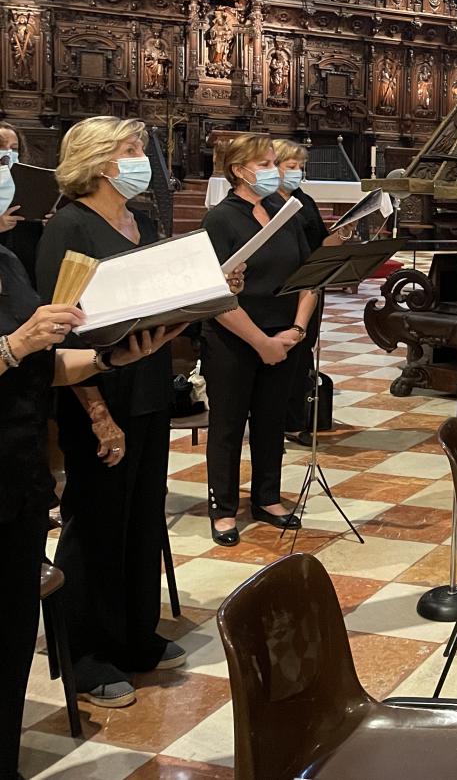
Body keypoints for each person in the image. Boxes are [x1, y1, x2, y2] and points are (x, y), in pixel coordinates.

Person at [1, 212, 182, 772]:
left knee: (9, 641)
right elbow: (18, 351)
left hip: (18, 477)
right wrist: (11, 345)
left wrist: (108, 358)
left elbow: (44, 365)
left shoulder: (6, 261)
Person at [35, 117, 191, 708]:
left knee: (142, 517)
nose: (141, 159)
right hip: (96, 397)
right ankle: (86, 653)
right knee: (96, 524)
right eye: (130, 151)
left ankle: (132, 636)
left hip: (147, 387)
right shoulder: (69, 228)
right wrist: (100, 415)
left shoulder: (141, 220)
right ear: (101, 162)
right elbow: (62, 337)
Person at [202, 134, 318, 547]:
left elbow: (310, 276)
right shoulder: (221, 219)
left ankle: (267, 497)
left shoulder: (287, 211)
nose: (274, 170)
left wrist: (298, 331)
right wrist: (260, 341)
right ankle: (223, 508)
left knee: (271, 420)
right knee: (229, 424)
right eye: (266, 163)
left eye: (274, 162)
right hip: (234, 337)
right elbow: (214, 295)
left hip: (286, 334)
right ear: (239, 170)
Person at [273, 140, 345, 448]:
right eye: (291, 167)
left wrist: (341, 234)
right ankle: (273, 419)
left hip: (310, 287)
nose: (297, 173)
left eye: (301, 167)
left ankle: (293, 419)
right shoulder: (264, 203)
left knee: (303, 355)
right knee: (279, 357)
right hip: (280, 289)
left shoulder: (305, 200)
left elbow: (319, 241)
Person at [0, 124, 43, 281]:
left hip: (25, 271)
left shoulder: (29, 183)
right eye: (1, 146)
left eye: (14, 148)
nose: (8, 152)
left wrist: (47, 222)